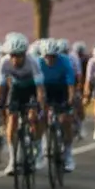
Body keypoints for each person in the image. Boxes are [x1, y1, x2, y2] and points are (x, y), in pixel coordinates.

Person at [0, 33, 47, 175]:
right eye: (12, 55)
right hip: (17, 89)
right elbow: (0, 86)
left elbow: (40, 89)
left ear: (24, 54)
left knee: (33, 117)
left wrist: (39, 106)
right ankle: (13, 160)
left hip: (32, 90)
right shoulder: (4, 62)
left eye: (18, 56)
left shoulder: (33, 62)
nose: (15, 59)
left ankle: (38, 148)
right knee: (12, 120)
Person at [38, 39, 77, 172]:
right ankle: (44, 140)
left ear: (57, 55)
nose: (50, 60)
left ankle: (68, 154)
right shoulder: (38, 63)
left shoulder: (65, 61)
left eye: (53, 57)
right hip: (45, 89)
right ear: (43, 56)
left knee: (65, 120)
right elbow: (36, 85)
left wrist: (70, 99)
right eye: (47, 57)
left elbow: (70, 84)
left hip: (61, 89)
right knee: (41, 115)